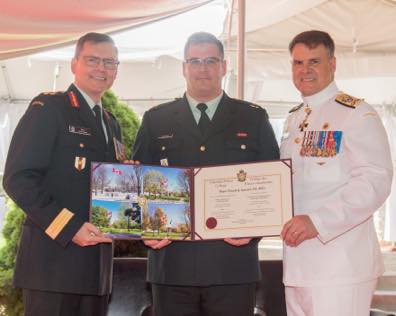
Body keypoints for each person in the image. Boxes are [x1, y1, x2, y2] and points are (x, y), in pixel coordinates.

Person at [133, 32, 279, 316]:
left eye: (211, 60)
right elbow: (135, 183)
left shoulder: (253, 117)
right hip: (171, 266)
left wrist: (255, 229)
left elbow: (270, 185)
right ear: (184, 67)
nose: (203, 68)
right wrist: (143, 230)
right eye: (195, 61)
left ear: (224, 66)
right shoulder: (155, 119)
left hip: (232, 267)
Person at [3, 32, 123, 316]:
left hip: (97, 271)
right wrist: (70, 228)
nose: (101, 68)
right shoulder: (49, 108)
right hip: (52, 266)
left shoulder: (111, 124)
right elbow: (18, 179)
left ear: (116, 70)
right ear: (74, 64)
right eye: (92, 59)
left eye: (109, 62)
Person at [280, 30, 393, 316]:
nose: (304, 70)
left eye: (314, 61)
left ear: (333, 63)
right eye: (297, 62)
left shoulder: (356, 114)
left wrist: (318, 221)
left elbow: (374, 181)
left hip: (340, 265)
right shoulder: (294, 119)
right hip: (297, 264)